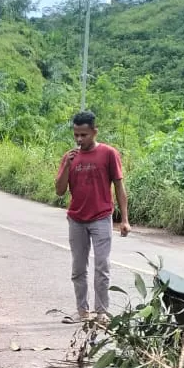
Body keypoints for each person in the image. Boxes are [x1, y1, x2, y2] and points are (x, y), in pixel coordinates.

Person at [55, 111, 130, 323]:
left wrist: (124, 219)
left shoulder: (108, 154)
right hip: (76, 219)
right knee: (78, 267)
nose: (79, 139)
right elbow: (60, 191)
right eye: (76, 135)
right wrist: (67, 166)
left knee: (102, 266)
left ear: (94, 132)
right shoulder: (69, 157)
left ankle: (101, 312)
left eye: (84, 135)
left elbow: (119, 186)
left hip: (101, 218)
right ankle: (81, 311)